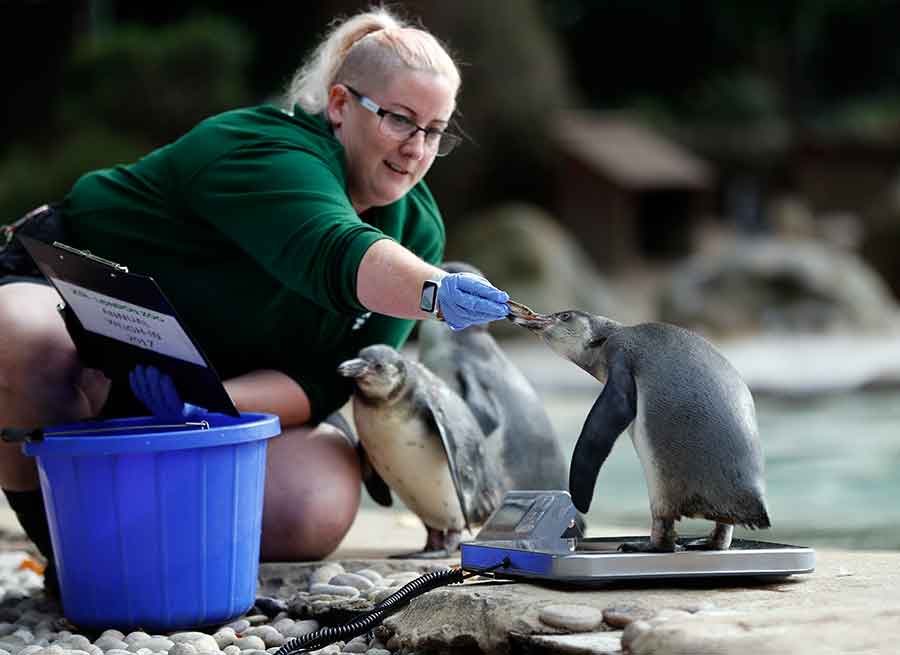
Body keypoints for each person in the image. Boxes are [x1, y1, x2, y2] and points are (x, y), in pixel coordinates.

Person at [0, 7, 510, 595]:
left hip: (190, 375)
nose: (417, 149)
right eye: (400, 120)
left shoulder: (417, 232)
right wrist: (433, 290)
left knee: (316, 498)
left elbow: (323, 381)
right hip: (71, 299)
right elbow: (335, 251)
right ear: (341, 104)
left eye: (435, 130)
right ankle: (67, 551)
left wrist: (202, 405)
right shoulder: (262, 149)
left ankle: (139, 528)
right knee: (26, 342)